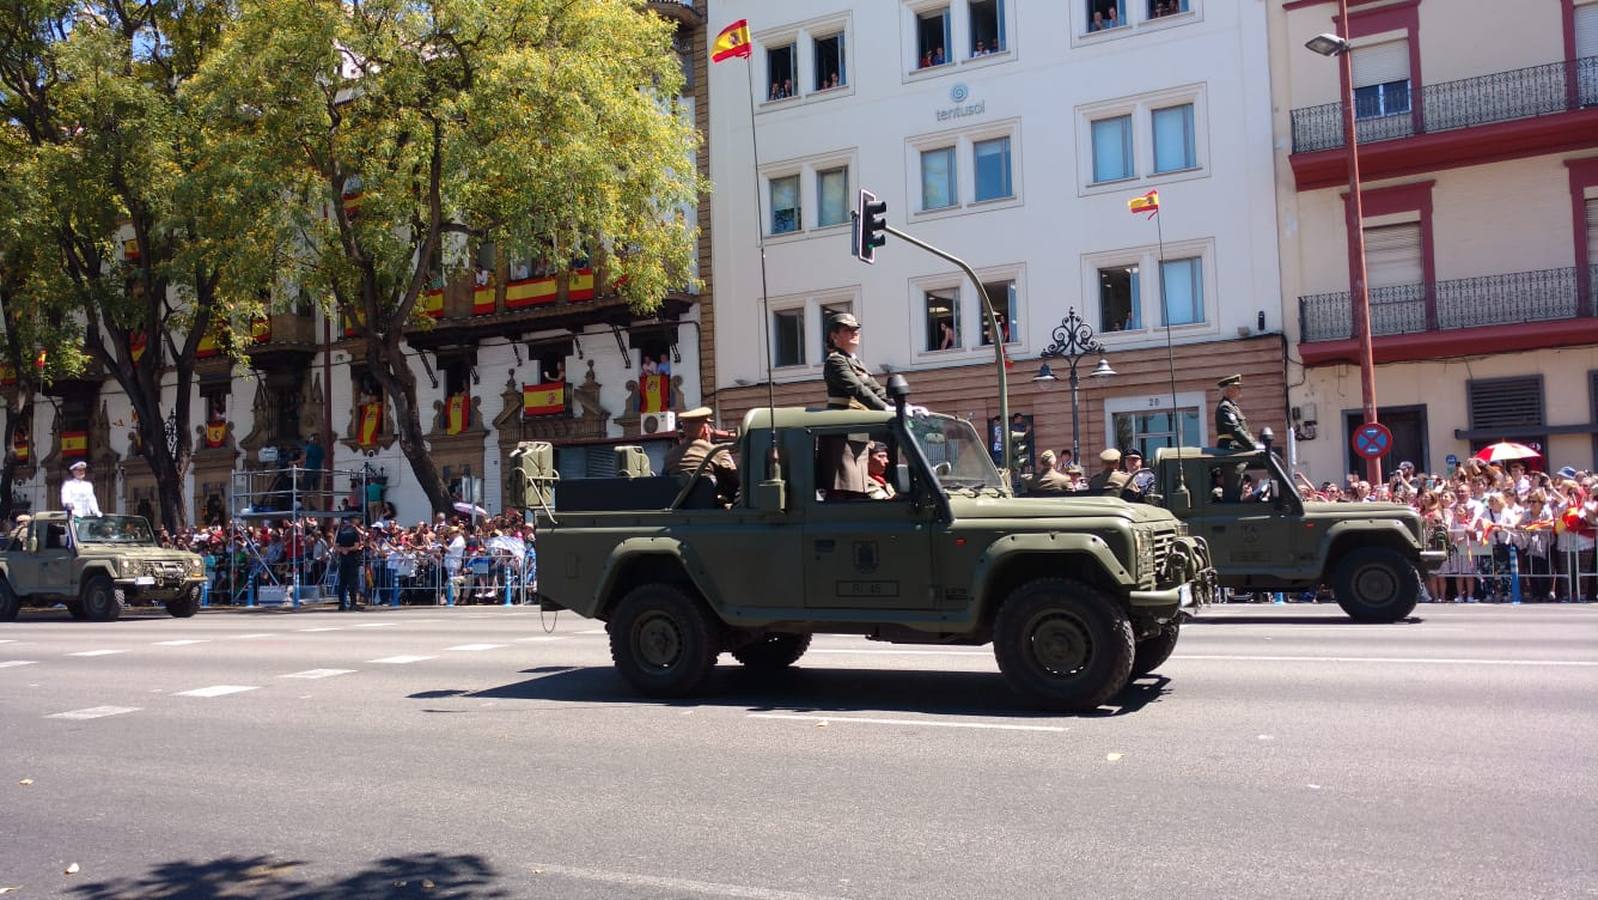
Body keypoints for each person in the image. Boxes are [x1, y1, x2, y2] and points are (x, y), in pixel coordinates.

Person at [821, 312, 890, 499]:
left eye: (856, 329)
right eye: (847, 330)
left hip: (857, 430)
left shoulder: (855, 363)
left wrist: (903, 406)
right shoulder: (835, 361)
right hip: (842, 433)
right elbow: (857, 389)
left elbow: (876, 390)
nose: (854, 333)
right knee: (844, 490)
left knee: (858, 489)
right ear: (834, 336)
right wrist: (885, 409)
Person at [663, 407, 740, 504]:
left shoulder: (669, 456)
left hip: (678, 510)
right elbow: (735, 482)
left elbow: (666, 483)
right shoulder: (718, 452)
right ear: (706, 429)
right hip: (712, 511)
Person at [1214, 374, 1258, 451]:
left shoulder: (1233, 406)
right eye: (1237, 387)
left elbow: (1244, 430)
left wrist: (1253, 442)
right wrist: (1252, 446)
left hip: (1237, 446)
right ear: (1229, 390)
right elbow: (1235, 429)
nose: (1240, 390)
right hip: (1230, 448)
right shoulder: (1225, 407)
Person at [333, 513, 365, 611]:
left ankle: (342, 604)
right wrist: (348, 549)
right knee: (353, 582)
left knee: (343, 582)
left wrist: (343, 549)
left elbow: (336, 546)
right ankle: (353, 604)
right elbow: (356, 546)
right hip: (352, 558)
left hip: (343, 559)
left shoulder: (341, 532)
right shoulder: (354, 531)